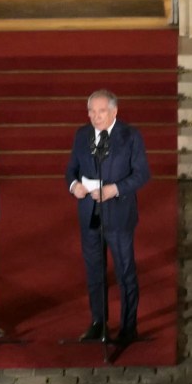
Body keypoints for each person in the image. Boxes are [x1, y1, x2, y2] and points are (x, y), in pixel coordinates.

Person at [65, 89, 148, 346]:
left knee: (124, 272)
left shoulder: (130, 136)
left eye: (101, 111)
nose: (95, 116)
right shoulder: (82, 135)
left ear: (114, 112)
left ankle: (128, 327)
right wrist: (74, 186)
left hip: (119, 213)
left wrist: (114, 189)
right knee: (94, 271)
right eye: (91, 111)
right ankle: (98, 323)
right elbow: (71, 170)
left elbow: (142, 174)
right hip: (90, 213)